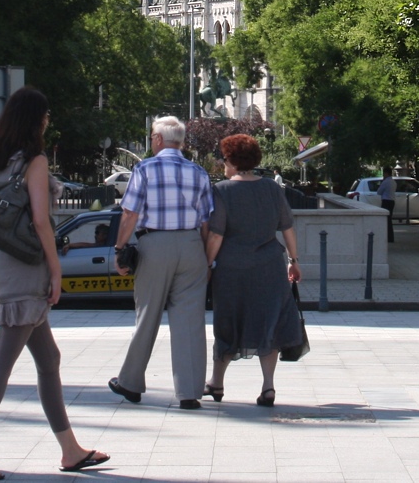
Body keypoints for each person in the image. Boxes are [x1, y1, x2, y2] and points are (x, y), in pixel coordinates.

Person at [0, 87, 108, 479]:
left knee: (49, 359)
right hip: (28, 270)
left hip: (2, 268)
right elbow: (42, 221)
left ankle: (70, 450)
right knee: (0, 366)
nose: (48, 122)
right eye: (45, 116)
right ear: (36, 120)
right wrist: (56, 271)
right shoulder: (34, 162)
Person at [109, 115, 214, 410]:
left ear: (158, 139)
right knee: (190, 321)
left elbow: (130, 214)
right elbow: (206, 221)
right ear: (179, 142)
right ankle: (190, 392)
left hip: (154, 244)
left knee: (147, 315)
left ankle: (130, 382)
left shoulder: (145, 168)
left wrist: (120, 248)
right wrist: (206, 259)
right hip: (192, 244)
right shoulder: (199, 172)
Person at [204, 134, 303, 407]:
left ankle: (217, 382)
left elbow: (215, 235)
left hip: (232, 269)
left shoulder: (222, 191)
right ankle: (268, 387)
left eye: (224, 159)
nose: (223, 164)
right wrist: (294, 260)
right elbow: (287, 227)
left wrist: (207, 264)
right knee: (268, 322)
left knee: (227, 322)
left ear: (232, 161)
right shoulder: (272, 188)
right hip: (269, 267)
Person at [377, 166, 397, 244]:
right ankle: (390, 237)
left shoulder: (385, 182)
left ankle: (388, 237)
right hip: (392, 201)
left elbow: (379, 192)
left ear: (386, 173)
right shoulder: (393, 182)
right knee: (389, 220)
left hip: (386, 201)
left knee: (386, 220)